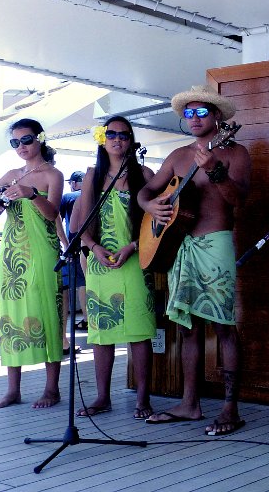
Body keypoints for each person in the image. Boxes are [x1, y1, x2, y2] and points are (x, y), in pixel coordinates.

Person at [139, 84, 251, 436]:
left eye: (202, 111)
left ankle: (230, 408)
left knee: (223, 327)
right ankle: (190, 403)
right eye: (189, 113)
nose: (195, 118)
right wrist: (148, 205)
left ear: (217, 116)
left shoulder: (236, 153)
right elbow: (147, 190)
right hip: (180, 247)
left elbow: (238, 201)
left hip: (215, 243)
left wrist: (216, 170)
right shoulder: (177, 155)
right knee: (187, 329)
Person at [0, 118, 64, 409]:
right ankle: (13, 389)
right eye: (15, 142)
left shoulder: (53, 174)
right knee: (11, 317)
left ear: (40, 139)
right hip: (12, 254)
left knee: (49, 312)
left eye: (26, 140)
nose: (21, 147)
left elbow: (52, 214)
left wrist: (32, 194)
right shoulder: (12, 173)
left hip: (42, 251)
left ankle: (52, 388)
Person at [72, 117, 158, 420]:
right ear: (102, 139)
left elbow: (158, 221)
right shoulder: (92, 176)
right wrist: (94, 248)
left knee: (139, 332)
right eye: (111, 134)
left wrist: (132, 246)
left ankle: (143, 399)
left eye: (124, 135)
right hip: (100, 263)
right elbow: (79, 226)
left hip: (135, 258)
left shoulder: (144, 174)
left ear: (131, 140)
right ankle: (102, 397)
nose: (117, 139)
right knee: (101, 334)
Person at [60, 170, 88, 343]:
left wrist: (64, 244)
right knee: (87, 281)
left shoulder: (68, 197)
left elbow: (57, 218)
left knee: (77, 284)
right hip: (92, 244)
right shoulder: (93, 195)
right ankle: (90, 319)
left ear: (76, 183)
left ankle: (86, 320)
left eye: (72, 182)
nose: (71, 184)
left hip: (74, 244)